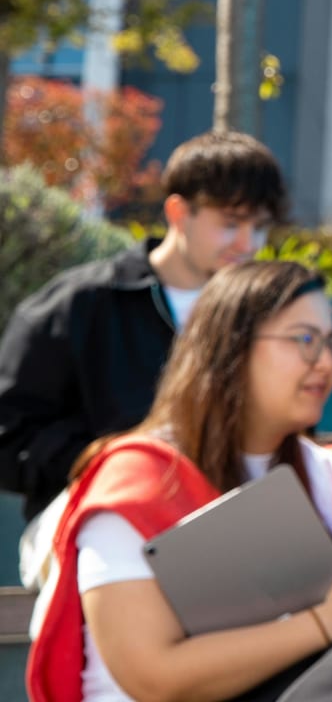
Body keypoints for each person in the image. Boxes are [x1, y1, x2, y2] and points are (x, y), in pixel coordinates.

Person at [26, 259, 332, 702]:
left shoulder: (322, 475)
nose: (325, 363)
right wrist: (328, 621)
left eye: (331, 344)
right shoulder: (135, 481)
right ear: (232, 348)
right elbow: (150, 677)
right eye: (305, 340)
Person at [0, 130, 286, 588]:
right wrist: (117, 458)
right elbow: (8, 437)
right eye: (232, 223)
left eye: (261, 226)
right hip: (90, 518)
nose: (249, 243)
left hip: (224, 524)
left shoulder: (267, 317)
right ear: (178, 212)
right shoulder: (82, 303)